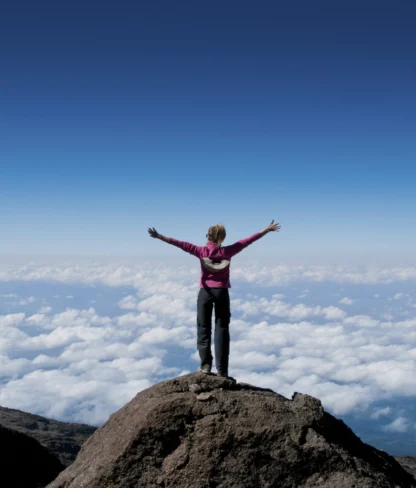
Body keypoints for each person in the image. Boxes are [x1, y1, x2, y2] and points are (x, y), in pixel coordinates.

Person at [148, 220, 281, 380]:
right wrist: (266, 230)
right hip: (222, 293)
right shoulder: (229, 251)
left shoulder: (200, 251)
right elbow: (248, 241)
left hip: (205, 292)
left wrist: (159, 236)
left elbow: (179, 244)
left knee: (203, 329)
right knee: (222, 329)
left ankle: (205, 366)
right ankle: (222, 371)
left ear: (208, 237)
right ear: (221, 239)